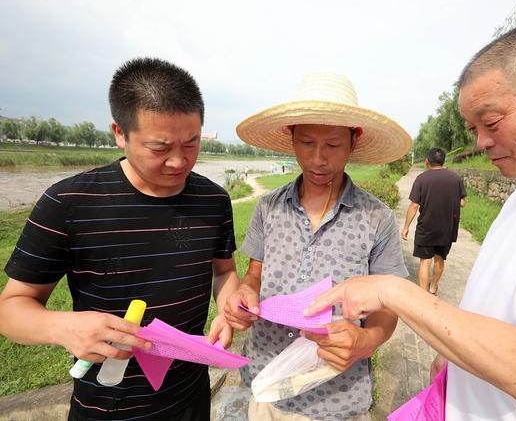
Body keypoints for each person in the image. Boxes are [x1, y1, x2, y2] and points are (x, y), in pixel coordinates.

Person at [306, 24, 516, 420]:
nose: (480, 142)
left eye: (492, 122)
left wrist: (395, 291)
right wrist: (454, 358)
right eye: (472, 128)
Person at [0, 58, 239, 420]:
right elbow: (11, 308)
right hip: (105, 407)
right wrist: (60, 326)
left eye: (191, 144)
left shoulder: (214, 200)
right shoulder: (68, 203)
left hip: (190, 398)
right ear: (119, 132)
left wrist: (227, 307)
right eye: (160, 148)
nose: (179, 162)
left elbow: (223, 271)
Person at [226, 72, 412, 420]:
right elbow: (253, 275)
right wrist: (244, 296)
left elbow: (389, 307)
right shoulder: (269, 207)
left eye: (332, 145)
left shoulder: (377, 218)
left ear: (353, 141)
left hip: (337, 394)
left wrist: (367, 341)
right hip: (268, 385)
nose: (318, 159)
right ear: (291, 136)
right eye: (307, 143)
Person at [402, 148, 466, 294]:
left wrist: (406, 227)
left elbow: (414, 205)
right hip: (447, 227)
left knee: (425, 261)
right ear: (443, 161)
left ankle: (423, 294)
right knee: (440, 258)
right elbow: (462, 203)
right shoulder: (455, 178)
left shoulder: (422, 179)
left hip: (426, 227)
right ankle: (433, 287)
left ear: (427, 161)